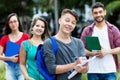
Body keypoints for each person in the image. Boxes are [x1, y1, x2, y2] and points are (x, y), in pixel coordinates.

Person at [43, 9, 88, 80]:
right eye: (67, 20)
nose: (69, 24)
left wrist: (83, 68)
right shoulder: (49, 42)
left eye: (73, 23)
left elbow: (85, 69)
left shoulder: (79, 42)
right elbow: (51, 69)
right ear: (60, 20)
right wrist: (74, 65)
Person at [81, 2, 120, 80]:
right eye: (95, 13)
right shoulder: (87, 30)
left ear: (104, 12)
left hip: (109, 70)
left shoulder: (113, 29)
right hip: (93, 70)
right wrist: (92, 53)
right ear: (92, 14)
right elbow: (81, 48)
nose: (98, 15)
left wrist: (107, 52)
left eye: (100, 12)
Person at [0, 13, 29, 80]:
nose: (13, 24)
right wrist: (10, 58)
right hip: (10, 69)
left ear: (18, 22)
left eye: (15, 21)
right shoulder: (4, 39)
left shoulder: (26, 37)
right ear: (8, 24)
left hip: (22, 68)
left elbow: (30, 52)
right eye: (11, 22)